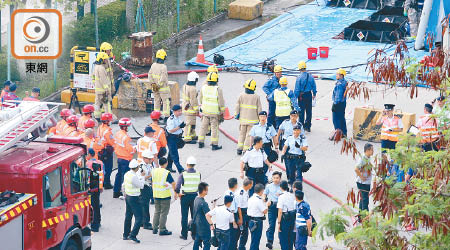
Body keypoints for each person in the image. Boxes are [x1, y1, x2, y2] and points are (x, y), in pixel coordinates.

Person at [175, 156, 201, 240]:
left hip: (185, 197)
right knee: (194, 216)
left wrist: (178, 193)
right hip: (194, 197)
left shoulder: (183, 174)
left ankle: (184, 234)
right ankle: (194, 234)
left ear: (187, 164)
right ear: (194, 165)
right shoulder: (198, 174)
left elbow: (177, 187)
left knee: (184, 216)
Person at [198, 72, 225, 150]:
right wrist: (222, 111)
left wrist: (203, 106)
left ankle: (200, 142)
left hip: (205, 111)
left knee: (203, 127)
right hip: (214, 113)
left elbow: (200, 98)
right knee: (214, 129)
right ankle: (214, 145)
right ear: (216, 80)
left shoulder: (203, 87)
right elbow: (221, 102)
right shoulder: (218, 89)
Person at [235, 79, 262, 155]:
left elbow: (237, 106)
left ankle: (239, 149)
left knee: (241, 134)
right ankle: (246, 150)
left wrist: (236, 114)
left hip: (243, 120)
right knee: (248, 135)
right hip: (252, 121)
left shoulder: (241, 95)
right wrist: (260, 118)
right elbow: (259, 109)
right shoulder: (256, 97)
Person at [152, 157, 177, 236]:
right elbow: (173, 183)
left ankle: (155, 228)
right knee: (164, 213)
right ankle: (162, 229)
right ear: (166, 163)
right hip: (165, 196)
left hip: (156, 194)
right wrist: (175, 193)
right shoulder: (166, 172)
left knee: (157, 211)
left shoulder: (154, 171)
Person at [122, 159, 145, 243]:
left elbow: (123, 185)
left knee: (128, 216)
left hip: (128, 197)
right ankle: (133, 235)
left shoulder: (127, 174)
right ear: (137, 167)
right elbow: (141, 186)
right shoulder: (134, 177)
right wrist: (142, 176)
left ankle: (126, 234)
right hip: (134, 198)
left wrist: (124, 194)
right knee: (139, 217)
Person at [113, 118, 135, 198]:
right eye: (128, 126)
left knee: (119, 175)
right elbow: (131, 149)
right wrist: (135, 148)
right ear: (125, 127)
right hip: (126, 158)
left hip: (119, 157)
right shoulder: (126, 137)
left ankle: (116, 192)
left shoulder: (117, 134)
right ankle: (123, 193)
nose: (129, 127)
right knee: (124, 176)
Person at [294, 61, 316, 132]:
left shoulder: (299, 78)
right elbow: (314, 86)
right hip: (309, 95)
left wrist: (294, 98)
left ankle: (301, 126)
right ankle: (308, 126)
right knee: (309, 111)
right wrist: (314, 94)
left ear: (299, 68)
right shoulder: (310, 76)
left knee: (301, 112)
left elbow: (297, 89)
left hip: (301, 96)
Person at [148, 49, 170, 119]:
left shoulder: (153, 65)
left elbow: (150, 75)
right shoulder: (163, 67)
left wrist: (153, 84)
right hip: (163, 88)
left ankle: (156, 116)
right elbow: (163, 78)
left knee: (156, 101)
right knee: (165, 102)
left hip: (154, 87)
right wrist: (159, 85)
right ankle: (166, 117)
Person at [263, 171, 282, 249]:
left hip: (280, 208)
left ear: (280, 178)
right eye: (274, 178)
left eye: (277, 178)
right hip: (272, 207)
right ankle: (269, 241)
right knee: (272, 225)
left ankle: (282, 240)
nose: (275, 179)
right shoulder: (269, 186)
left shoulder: (283, 186)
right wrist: (265, 199)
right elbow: (264, 194)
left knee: (282, 225)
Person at [86, 148, 104, 232]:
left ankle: (94, 225)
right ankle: (98, 221)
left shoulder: (88, 164)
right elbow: (104, 174)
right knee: (97, 205)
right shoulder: (100, 162)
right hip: (98, 186)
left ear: (89, 154)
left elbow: (85, 175)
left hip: (91, 187)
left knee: (93, 206)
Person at [96, 112, 115, 190]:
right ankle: (107, 183)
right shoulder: (107, 131)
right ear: (107, 121)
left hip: (101, 150)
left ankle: (103, 182)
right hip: (106, 151)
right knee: (108, 168)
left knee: (102, 168)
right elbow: (112, 142)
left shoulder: (100, 128)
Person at [247, 184, 268, 250]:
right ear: (261, 191)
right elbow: (264, 211)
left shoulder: (251, 198)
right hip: (257, 222)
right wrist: (267, 205)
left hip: (251, 220)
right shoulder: (258, 200)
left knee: (254, 239)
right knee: (256, 240)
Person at [166, 104, 186, 173]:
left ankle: (168, 167)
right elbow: (171, 130)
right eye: (178, 111)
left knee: (171, 153)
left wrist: (182, 126)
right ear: (174, 111)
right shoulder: (171, 119)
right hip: (171, 138)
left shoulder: (177, 118)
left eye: (180, 111)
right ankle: (180, 169)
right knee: (175, 154)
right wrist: (179, 127)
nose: (180, 112)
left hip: (176, 137)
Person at [235, 178, 253, 250]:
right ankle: (237, 247)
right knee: (241, 232)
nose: (252, 186)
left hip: (246, 213)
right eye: (251, 184)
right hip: (242, 214)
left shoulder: (245, 191)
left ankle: (241, 247)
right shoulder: (240, 193)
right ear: (248, 185)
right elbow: (239, 207)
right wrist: (241, 219)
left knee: (245, 233)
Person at [277, 180, 296, 250]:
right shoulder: (292, 195)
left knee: (283, 238)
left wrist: (279, 223)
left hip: (285, 219)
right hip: (292, 217)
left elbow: (280, 211)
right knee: (290, 237)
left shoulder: (281, 197)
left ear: (280, 187)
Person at [138, 150, 155, 230]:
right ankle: (146, 223)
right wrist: (151, 175)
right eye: (149, 159)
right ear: (145, 158)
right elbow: (142, 178)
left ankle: (142, 221)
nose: (151, 160)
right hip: (144, 186)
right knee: (144, 205)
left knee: (144, 204)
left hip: (148, 185)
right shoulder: (141, 167)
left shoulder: (149, 165)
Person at [93, 52, 113, 119]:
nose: (106, 61)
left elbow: (93, 77)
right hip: (103, 90)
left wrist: (95, 85)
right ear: (101, 59)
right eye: (105, 59)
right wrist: (107, 89)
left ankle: (97, 116)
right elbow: (104, 80)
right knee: (107, 104)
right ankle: (108, 117)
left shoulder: (95, 67)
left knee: (97, 103)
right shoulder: (101, 68)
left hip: (97, 90)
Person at [182, 71, 200, 144]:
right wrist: (196, 109)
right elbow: (193, 100)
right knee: (189, 123)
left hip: (185, 106)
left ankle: (192, 135)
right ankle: (187, 138)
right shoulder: (193, 89)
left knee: (192, 122)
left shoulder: (185, 85)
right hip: (190, 108)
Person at [193, 182, 212, 250]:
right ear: (203, 191)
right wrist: (211, 224)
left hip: (197, 226)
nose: (207, 191)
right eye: (207, 189)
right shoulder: (203, 203)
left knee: (197, 242)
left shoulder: (196, 199)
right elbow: (209, 215)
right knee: (207, 243)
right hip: (204, 227)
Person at [355, 143, 373, 212]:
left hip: (365, 182)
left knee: (362, 199)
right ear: (367, 150)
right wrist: (361, 177)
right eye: (372, 150)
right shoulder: (362, 159)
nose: (373, 151)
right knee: (365, 201)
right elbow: (356, 169)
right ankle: (365, 219)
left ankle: (360, 217)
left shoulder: (368, 158)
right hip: (363, 183)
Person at [331, 68, 348, 139]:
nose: (336, 75)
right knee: (341, 118)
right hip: (343, 103)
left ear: (341, 75)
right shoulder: (345, 82)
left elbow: (338, 95)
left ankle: (338, 134)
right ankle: (344, 133)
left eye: (337, 74)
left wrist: (335, 104)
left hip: (338, 103)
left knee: (336, 119)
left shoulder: (339, 84)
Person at [223, 178, 240, 250]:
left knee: (229, 236)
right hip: (232, 217)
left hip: (226, 216)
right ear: (236, 185)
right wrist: (234, 222)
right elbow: (232, 210)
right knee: (233, 237)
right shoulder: (232, 195)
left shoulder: (226, 192)